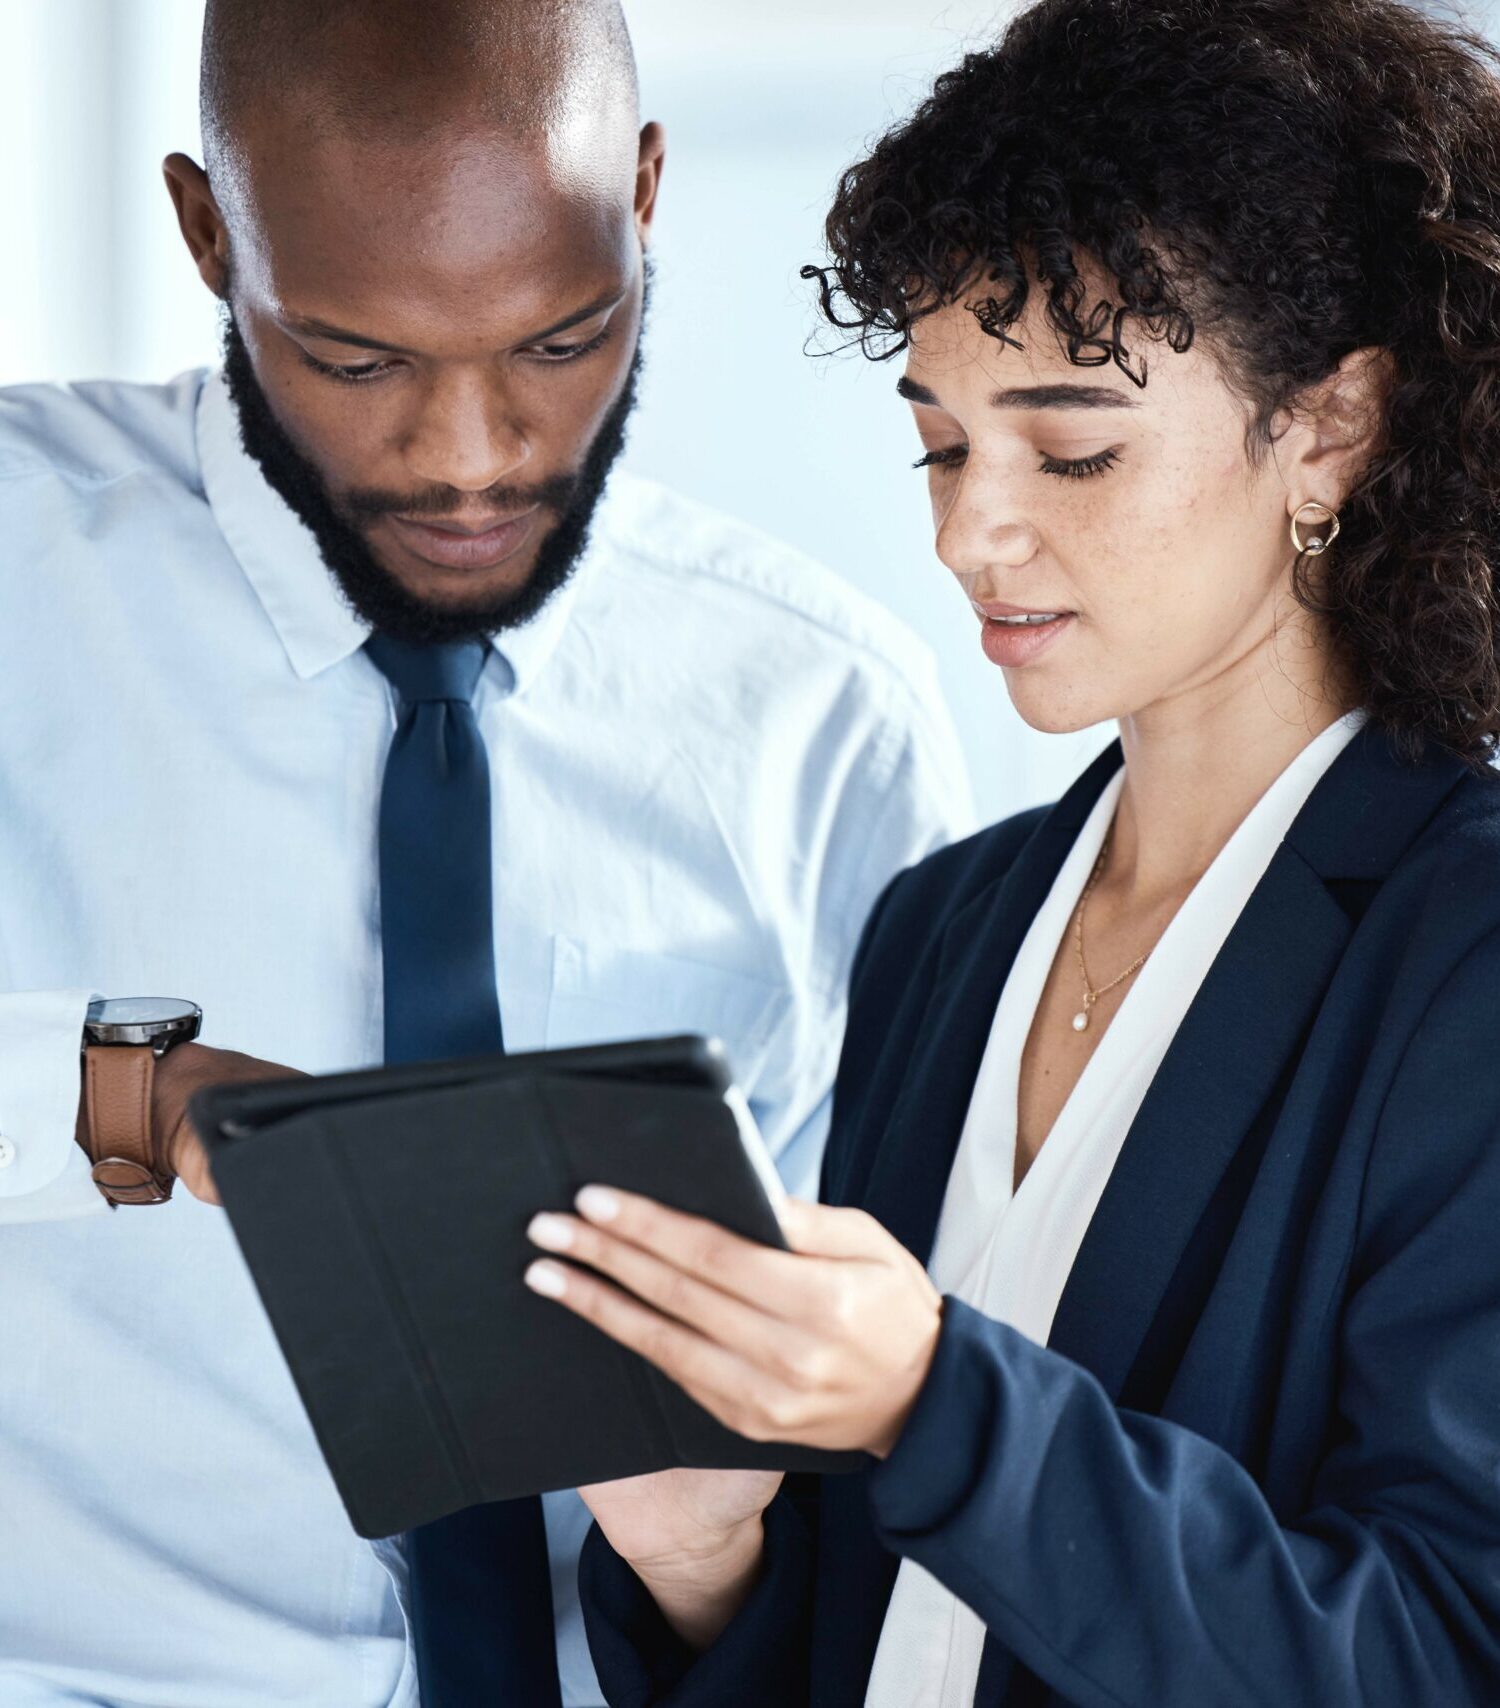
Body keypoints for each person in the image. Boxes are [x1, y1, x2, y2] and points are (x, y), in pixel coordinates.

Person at [525, 1, 1500, 1702]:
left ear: (1329, 428)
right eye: (942, 442)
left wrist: (933, 1402)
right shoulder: (943, 929)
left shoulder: (1464, 948)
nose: (970, 527)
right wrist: (701, 1559)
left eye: (1072, 447)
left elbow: (1427, 1653)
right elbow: (864, 1635)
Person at [0, 2, 969, 1705]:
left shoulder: (828, 722)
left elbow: (877, 1444)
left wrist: (708, 1560)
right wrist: (134, 1100)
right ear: (208, 230)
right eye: (358, 358)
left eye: (561, 338)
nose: (470, 457)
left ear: (648, 195)